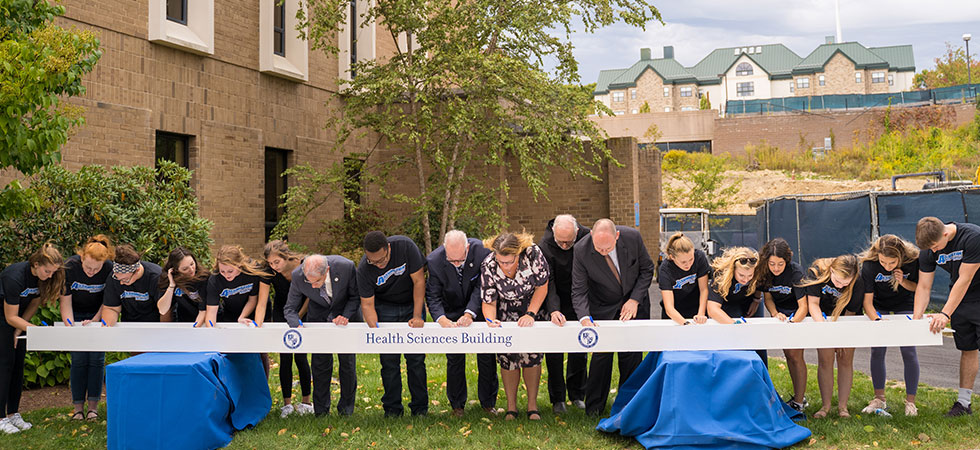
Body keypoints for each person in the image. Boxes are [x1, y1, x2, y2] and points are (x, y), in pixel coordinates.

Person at [571, 219, 654, 417]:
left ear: (617, 236)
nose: (603, 251)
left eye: (608, 247)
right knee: (601, 357)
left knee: (631, 356)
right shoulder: (581, 250)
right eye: (599, 248)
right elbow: (579, 289)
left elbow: (647, 270)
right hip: (602, 306)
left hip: (634, 304)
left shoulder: (632, 237)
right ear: (591, 235)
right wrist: (584, 317)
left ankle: (628, 405)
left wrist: (634, 300)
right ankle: (594, 408)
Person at [425, 230, 498, 417]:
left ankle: (488, 403)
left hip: (480, 308)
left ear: (467, 248)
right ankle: (457, 405)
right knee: (455, 359)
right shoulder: (434, 261)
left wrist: (470, 313)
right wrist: (441, 318)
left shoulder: (483, 252)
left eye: (460, 260)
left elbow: (482, 286)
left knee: (487, 357)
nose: (456, 264)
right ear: (444, 249)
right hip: (450, 310)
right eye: (452, 260)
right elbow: (433, 295)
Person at [913, 217, 980, 417]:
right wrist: (916, 320)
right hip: (961, 301)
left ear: (945, 234)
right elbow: (924, 287)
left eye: (935, 247)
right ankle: (963, 403)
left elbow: (965, 279)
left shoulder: (972, 237)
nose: (933, 252)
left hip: (973, 292)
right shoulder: (928, 248)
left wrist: (944, 313)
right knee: (967, 349)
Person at [358, 231, 428, 417]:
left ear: (388, 248)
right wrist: (377, 331)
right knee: (389, 363)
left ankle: (420, 408)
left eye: (381, 260)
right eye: (373, 261)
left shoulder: (405, 246)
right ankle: (392, 409)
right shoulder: (364, 268)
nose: (378, 264)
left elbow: (419, 281)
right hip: (384, 308)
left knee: (416, 361)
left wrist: (417, 315)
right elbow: (367, 304)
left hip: (410, 303)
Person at [482, 231, 550, 421]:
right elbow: (488, 299)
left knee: (532, 356)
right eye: (501, 262)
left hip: (532, 306)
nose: (505, 266)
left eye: (509, 262)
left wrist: (531, 313)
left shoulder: (533, 254)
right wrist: (490, 320)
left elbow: (542, 286)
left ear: (518, 254)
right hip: (505, 310)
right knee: (508, 358)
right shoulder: (488, 264)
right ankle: (511, 407)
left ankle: (532, 406)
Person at [285, 254, 360, 416]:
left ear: (327, 270)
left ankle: (346, 409)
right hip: (318, 317)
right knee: (319, 364)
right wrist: (295, 323)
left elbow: (355, 296)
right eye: (309, 281)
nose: (312, 286)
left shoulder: (346, 267)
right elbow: (290, 309)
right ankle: (321, 410)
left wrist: (346, 315)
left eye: (317, 281)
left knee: (347, 364)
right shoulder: (298, 275)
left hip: (344, 316)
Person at [0, 243, 65, 433]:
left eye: (53, 272)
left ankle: (13, 413)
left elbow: (34, 301)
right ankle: (1, 417)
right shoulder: (14, 277)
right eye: (47, 271)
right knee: (4, 365)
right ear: (36, 264)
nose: (50, 275)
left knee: (18, 365)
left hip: (17, 320)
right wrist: (36, 330)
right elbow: (9, 316)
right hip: (3, 318)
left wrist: (21, 329)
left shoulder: (42, 278)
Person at [858, 234, 920, 417]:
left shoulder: (912, 260)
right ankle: (879, 398)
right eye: (883, 262)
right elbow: (867, 301)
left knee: (908, 350)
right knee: (877, 350)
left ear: (900, 257)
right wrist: (877, 321)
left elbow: (919, 287)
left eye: (891, 263)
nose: (887, 267)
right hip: (878, 305)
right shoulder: (869, 265)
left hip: (905, 304)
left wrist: (903, 281)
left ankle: (911, 402)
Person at [538, 214, 590, 414]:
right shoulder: (545, 245)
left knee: (579, 348)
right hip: (555, 297)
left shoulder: (587, 236)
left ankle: (577, 394)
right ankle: (557, 398)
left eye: (570, 241)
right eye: (561, 242)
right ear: (553, 233)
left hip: (581, 297)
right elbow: (547, 282)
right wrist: (554, 309)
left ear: (577, 232)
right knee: (554, 352)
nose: (565, 245)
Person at [751, 238, 808, 412]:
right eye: (772, 264)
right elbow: (767, 298)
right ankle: (799, 398)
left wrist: (792, 323)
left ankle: (799, 401)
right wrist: (775, 314)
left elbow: (803, 306)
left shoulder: (795, 272)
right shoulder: (765, 272)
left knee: (796, 355)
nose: (776, 268)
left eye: (780, 264)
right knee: (789, 355)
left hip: (797, 314)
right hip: (780, 315)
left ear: (787, 261)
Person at [60, 235, 114, 421]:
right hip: (75, 315)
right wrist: (71, 326)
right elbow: (65, 302)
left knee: (96, 360)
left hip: (98, 315)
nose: (91, 272)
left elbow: (109, 301)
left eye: (96, 269)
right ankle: (77, 409)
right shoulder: (70, 267)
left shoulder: (109, 268)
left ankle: (93, 408)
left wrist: (95, 320)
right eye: (88, 267)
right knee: (79, 360)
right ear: (81, 258)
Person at [802, 254, 862, 419]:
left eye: (845, 283)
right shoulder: (817, 272)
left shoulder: (857, 281)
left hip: (846, 320)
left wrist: (842, 337)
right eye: (837, 281)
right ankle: (825, 405)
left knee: (845, 359)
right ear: (831, 271)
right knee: (825, 360)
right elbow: (813, 304)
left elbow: (852, 311)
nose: (841, 286)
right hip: (822, 318)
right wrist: (824, 329)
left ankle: (843, 407)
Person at [258, 240, 313, 417]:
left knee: (301, 356)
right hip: (281, 312)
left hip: (302, 310)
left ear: (286, 257)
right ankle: (287, 404)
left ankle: (306, 402)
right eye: (271, 263)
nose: (274, 266)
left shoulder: (303, 266)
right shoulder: (269, 272)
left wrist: (298, 316)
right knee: (285, 357)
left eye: (277, 262)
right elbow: (262, 300)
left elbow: (310, 295)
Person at [206, 245, 271, 374]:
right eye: (222, 271)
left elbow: (253, 300)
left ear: (239, 266)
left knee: (259, 350)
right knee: (232, 351)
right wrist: (212, 332)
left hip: (255, 312)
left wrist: (243, 317)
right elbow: (211, 313)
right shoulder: (215, 280)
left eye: (230, 271)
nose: (226, 275)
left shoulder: (252, 273)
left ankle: (261, 384)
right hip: (231, 313)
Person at [706, 246, 766, 362]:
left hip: (749, 300)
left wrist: (756, 299)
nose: (746, 280)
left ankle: (761, 374)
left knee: (758, 338)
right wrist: (735, 325)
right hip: (728, 303)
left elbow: (759, 283)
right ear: (733, 270)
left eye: (750, 276)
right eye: (741, 275)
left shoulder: (757, 269)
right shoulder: (720, 275)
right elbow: (712, 309)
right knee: (736, 340)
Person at [102, 244, 163, 325]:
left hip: (154, 324)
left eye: (125, 280)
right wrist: (107, 328)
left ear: (137, 271)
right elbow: (111, 308)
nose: (121, 283)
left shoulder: (156, 277)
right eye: (117, 278)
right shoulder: (113, 278)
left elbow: (165, 311)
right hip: (128, 324)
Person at [658, 233, 710, 325]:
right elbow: (669, 307)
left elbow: (704, 289)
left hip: (696, 306)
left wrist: (701, 314)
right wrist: (685, 323)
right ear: (672, 257)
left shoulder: (699, 257)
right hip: (674, 312)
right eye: (683, 262)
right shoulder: (665, 269)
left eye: (691, 259)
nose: (688, 264)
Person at [156, 247, 210, 327]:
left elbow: (203, 310)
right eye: (185, 269)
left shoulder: (204, 278)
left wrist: (195, 328)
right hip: (183, 322)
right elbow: (162, 310)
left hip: (204, 321)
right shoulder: (169, 279)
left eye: (192, 264)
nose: (191, 270)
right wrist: (171, 286)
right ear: (175, 270)